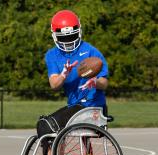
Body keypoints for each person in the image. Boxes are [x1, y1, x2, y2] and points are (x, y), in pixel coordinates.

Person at [37, 9, 109, 139]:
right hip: (75, 107)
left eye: (71, 36)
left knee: (45, 125)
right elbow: (54, 85)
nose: (68, 41)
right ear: (55, 36)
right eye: (63, 38)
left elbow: (104, 84)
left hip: (93, 108)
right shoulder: (52, 55)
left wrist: (95, 82)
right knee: (51, 127)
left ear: (79, 32)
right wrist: (64, 74)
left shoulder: (91, 51)